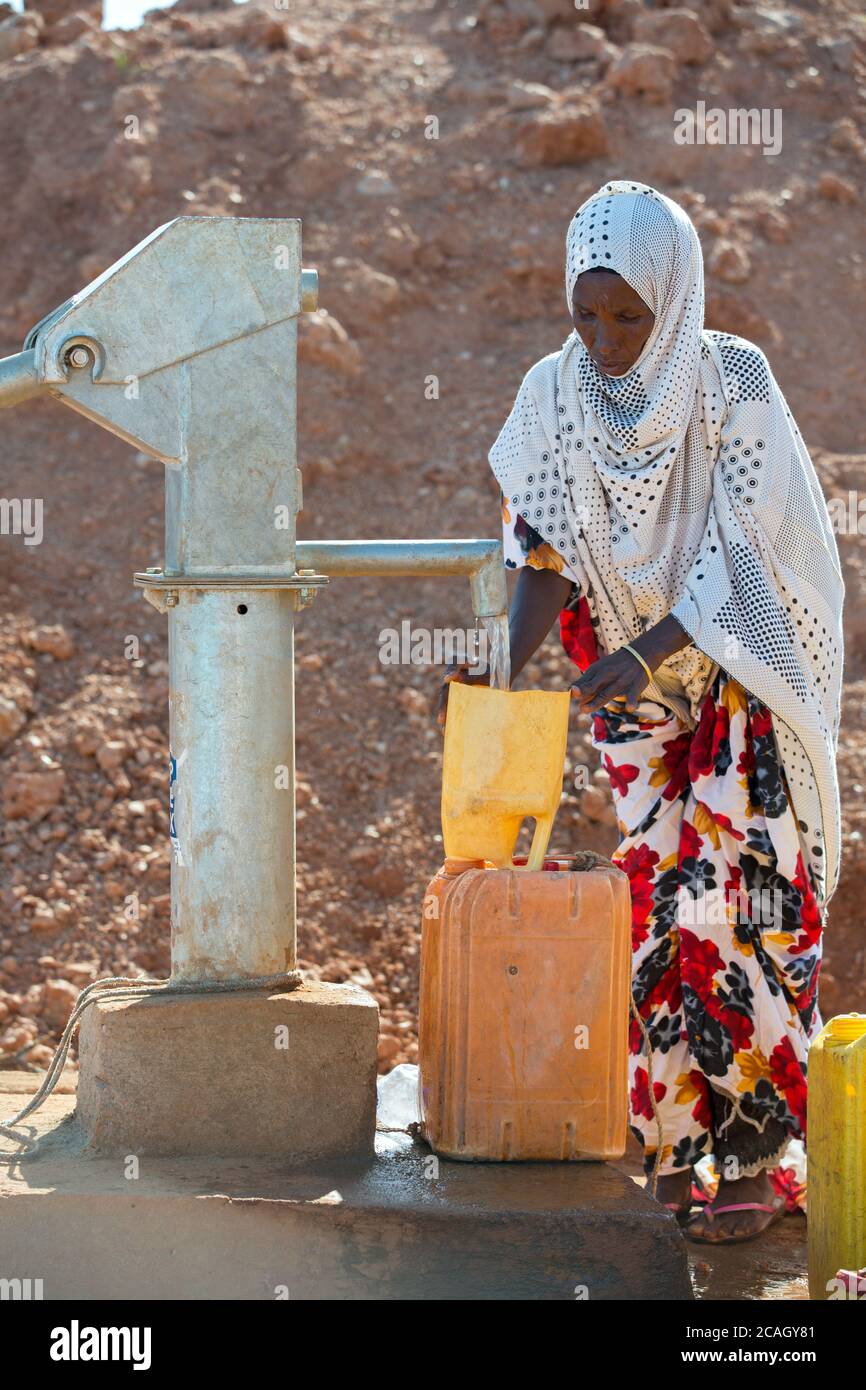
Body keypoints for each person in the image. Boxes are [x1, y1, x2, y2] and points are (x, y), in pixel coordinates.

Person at [438, 180, 844, 1244]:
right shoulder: (552, 396)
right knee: (659, 915)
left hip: (744, 691)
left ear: (675, 298)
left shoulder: (732, 381)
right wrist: (496, 667)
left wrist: (653, 644)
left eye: (630, 316)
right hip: (641, 714)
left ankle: (754, 1157)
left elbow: (755, 551)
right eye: (588, 313)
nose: (608, 338)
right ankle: (676, 1149)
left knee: (744, 913)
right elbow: (542, 552)